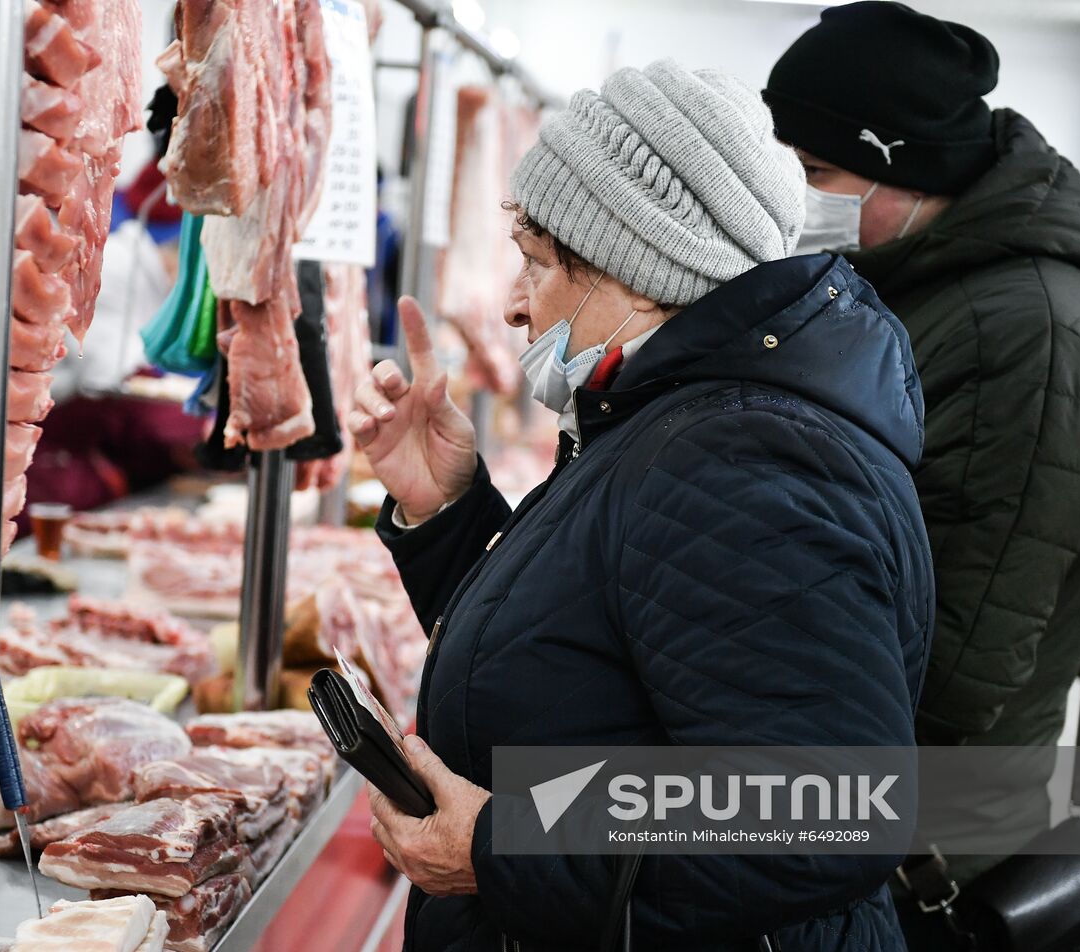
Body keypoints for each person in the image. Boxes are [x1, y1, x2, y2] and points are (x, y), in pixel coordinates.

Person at [350, 59, 933, 952]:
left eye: (537, 264)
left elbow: (823, 813)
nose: (512, 303)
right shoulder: (676, 424)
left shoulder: (736, 463)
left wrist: (500, 849)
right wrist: (450, 510)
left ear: (643, 272)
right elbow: (588, 670)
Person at [764, 0, 1080, 935]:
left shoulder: (1028, 338)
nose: (796, 198)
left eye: (816, 172)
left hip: (916, 838)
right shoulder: (921, 288)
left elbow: (956, 670)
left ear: (907, 168)